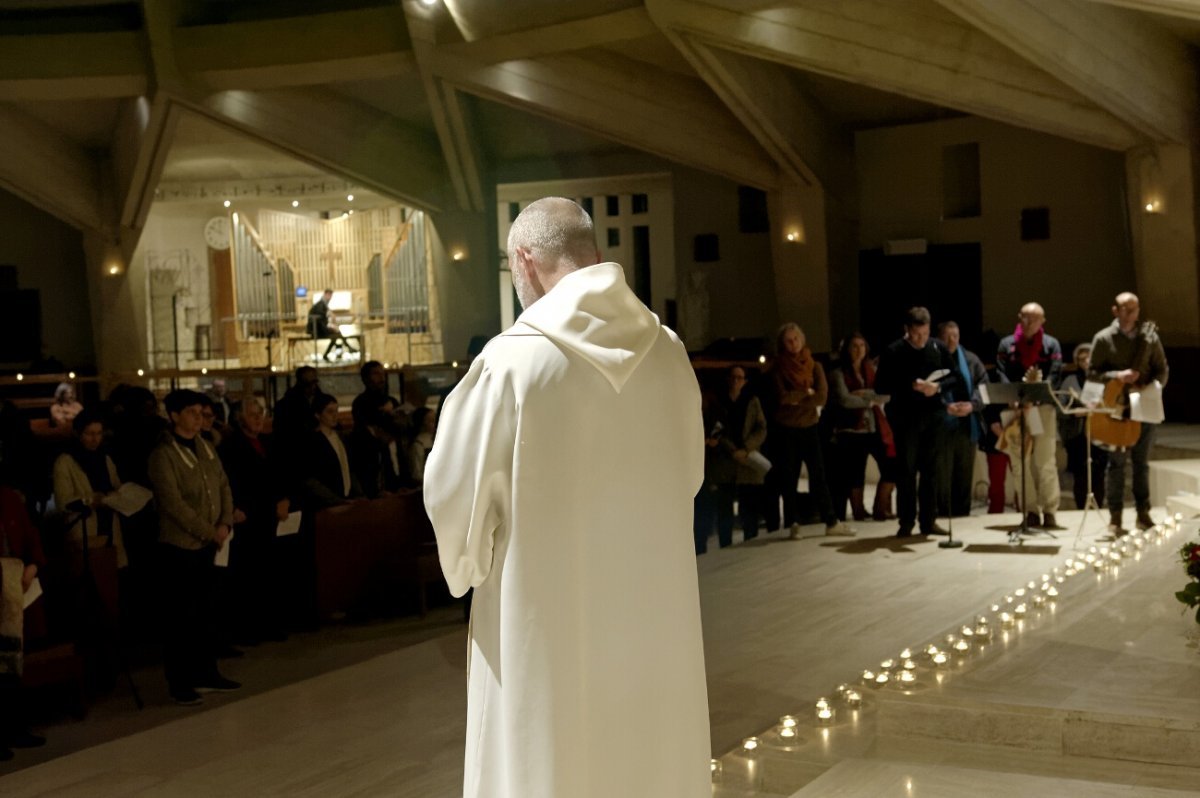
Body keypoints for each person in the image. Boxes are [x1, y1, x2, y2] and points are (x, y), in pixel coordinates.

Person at [424, 197, 710, 797]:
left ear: (524, 261)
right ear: (596, 258)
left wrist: (468, 561)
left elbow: (454, 495)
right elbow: (690, 475)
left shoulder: (511, 363)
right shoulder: (668, 352)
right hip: (651, 612)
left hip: (546, 621)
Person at [147, 389, 238, 706]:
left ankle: (208, 671)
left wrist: (225, 521)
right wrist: (207, 530)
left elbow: (223, 484)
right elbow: (172, 503)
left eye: (202, 413)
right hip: (181, 545)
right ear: (174, 416)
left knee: (207, 609)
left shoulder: (205, 446)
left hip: (212, 541)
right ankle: (181, 680)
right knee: (181, 615)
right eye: (192, 413)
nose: (200, 419)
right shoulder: (164, 455)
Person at [762, 323, 854, 538]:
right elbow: (783, 398)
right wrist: (806, 392)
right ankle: (793, 522)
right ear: (782, 344)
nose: (793, 344)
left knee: (818, 475)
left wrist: (798, 398)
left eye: (796, 339)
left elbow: (821, 397)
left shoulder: (814, 366)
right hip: (786, 429)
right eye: (789, 340)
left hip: (810, 427)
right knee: (789, 477)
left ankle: (831, 521)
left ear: (802, 340)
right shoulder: (778, 367)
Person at [874, 307, 958, 538]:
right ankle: (906, 521)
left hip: (933, 417)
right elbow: (880, 386)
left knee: (931, 471)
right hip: (905, 418)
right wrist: (909, 385)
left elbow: (955, 376)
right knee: (906, 471)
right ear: (907, 330)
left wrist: (937, 387)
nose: (921, 339)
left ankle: (928, 521)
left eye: (924, 333)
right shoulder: (893, 351)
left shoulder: (937, 347)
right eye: (916, 335)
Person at [1088, 292, 1169, 534]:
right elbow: (1092, 372)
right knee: (1116, 464)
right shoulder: (1103, 338)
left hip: (1142, 405)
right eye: (1125, 309)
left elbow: (1161, 369)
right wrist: (1117, 376)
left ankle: (1143, 513)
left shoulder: (1150, 338)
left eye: (1134, 309)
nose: (1130, 314)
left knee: (1141, 463)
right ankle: (1115, 518)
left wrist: (1149, 385)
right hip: (1116, 408)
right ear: (1115, 310)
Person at [218, 397, 291, 644]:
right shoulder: (231, 446)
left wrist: (283, 498)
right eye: (252, 415)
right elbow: (232, 481)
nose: (258, 418)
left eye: (260, 413)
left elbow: (278, 474)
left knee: (268, 573)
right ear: (240, 419)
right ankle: (248, 628)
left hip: (268, 515)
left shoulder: (267, 443)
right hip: (248, 516)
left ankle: (269, 624)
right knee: (248, 575)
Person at [996, 302, 1063, 528]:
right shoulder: (1007, 344)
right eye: (1025, 317)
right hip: (1014, 409)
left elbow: (1054, 376)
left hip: (1041, 409)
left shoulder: (1051, 344)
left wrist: (1034, 399)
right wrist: (1013, 398)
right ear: (1019, 318)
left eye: (1035, 318)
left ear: (1042, 321)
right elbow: (1001, 373)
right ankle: (1030, 511)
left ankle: (1050, 510)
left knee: (1045, 460)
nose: (1029, 322)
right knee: (1019, 462)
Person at [0, 483, 48, 760]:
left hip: (12, 579)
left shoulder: (8, 497)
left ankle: (15, 728)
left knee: (11, 659)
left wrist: (33, 563)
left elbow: (30, 535)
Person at [828, 333, 895, 522]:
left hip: (874, 427)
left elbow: (886, 394)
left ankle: (880, 507)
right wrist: (871, 400)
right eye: (854, 346)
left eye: (862, 346)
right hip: (850, 429)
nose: (859, 350)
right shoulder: (838, 373)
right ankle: (858, 511)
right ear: (847, 350)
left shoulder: (872, 370)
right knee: (855, 472)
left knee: (892, 466)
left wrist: (864, 394)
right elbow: (845, 400)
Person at [51, 408, 128, 569]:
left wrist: (120, 496)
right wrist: (92, 500)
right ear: (79, 434)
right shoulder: (65, 462)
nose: (95, 439)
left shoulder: (105, 458)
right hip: (85, 530)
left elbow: (117, 486)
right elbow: (63, 502)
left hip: (109, 525)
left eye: (99, 433)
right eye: (89, 433)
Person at [936, 322, 988, 517]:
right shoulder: (932, 359)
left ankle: (962, 514)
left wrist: (972, 405)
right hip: (942, 425)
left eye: (955, 336)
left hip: (967, 425)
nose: (952, 341)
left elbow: (983, 387)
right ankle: (943, 514)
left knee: (964, 474)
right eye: (947, 337)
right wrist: (945, 406)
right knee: (942, 475)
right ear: (938, 338)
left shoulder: (970, 359)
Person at [1057, 343, 1108, 510]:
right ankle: (1081, 508)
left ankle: (1098, 505)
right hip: (1077, 434)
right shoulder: (1070, 380)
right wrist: (1075, 411)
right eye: (1081, 359)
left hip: (1099, 431)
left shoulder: (1103, 378)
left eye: (1089, 357)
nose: (1085, 361)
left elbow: (1110, 402)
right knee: (1080, 473)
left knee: (1099, 472)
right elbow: (1061, 407)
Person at [306, 288, 356, 362]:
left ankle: (327, 354)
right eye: (329, 295)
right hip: (316, 330)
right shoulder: (320, 304)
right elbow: (320, 318)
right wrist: (329, 324)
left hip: (319, 328)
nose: (330, 298)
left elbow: (323, 316)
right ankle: (348, 347)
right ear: (326, 294)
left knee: (337, 334)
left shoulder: (322, 304)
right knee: (337, 333)